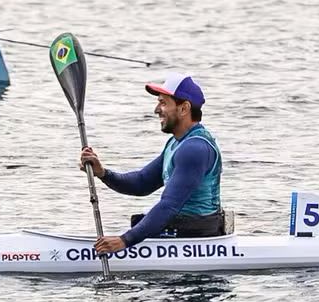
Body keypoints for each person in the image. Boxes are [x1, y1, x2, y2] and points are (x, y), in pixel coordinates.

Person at [79, 73, 224, 255]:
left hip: (195, 237)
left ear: (184, 108)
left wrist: (125, 241)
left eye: (163, 103)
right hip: (182, 232)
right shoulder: (177, 143)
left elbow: (168, 205)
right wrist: (103, 173)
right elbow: (141, 183)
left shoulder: (195, 148)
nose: (156, 109)